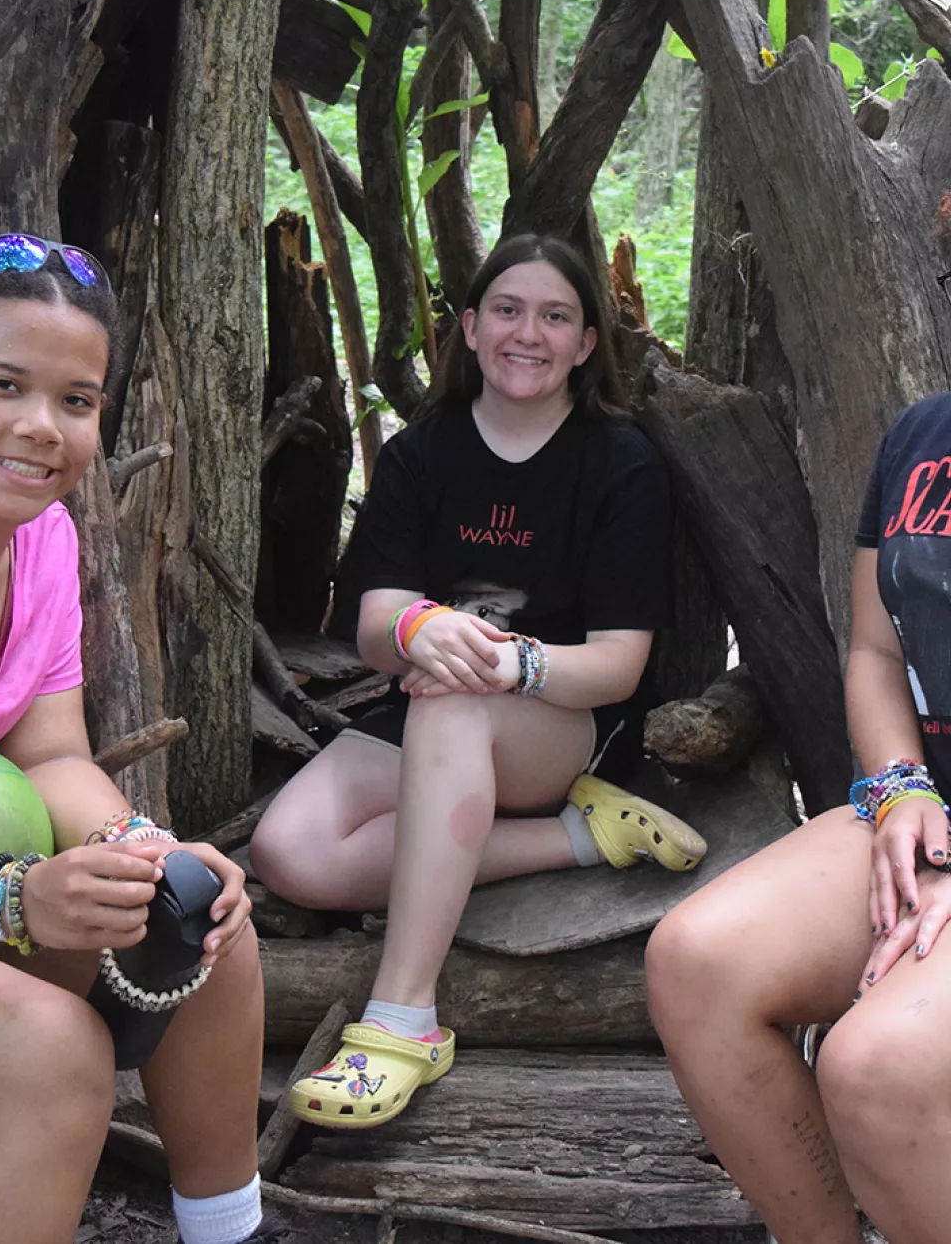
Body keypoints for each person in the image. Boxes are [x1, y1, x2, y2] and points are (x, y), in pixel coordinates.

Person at [250, 233, 705, 1129]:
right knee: (288, 852)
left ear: (585, 344)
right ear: (468, 327)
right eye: (506, 309)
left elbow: (618, 663)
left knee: (459, 694)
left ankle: (404, 1017)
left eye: (555, 316)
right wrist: (421, 627)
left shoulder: (620, 463)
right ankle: (583, 839)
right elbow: (377, 621)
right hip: (426, 713)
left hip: (564, 718)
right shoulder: (426, 452)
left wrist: (507, 661)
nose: (526, 332)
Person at [0, 234, 277, 1244]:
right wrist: (8, 896)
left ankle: (228, 1230)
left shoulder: (41, 538)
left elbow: (52, 754)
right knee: (49, 1051)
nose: (40, 427)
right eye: (3, 383)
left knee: (197, 924)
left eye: (78, 400)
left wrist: (137, 848)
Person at [646, 391, 951, 1244]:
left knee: (874, 1066)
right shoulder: (923, 433)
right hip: (921, 813)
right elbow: (876, 649)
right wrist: (903, 789)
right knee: (695, 960)